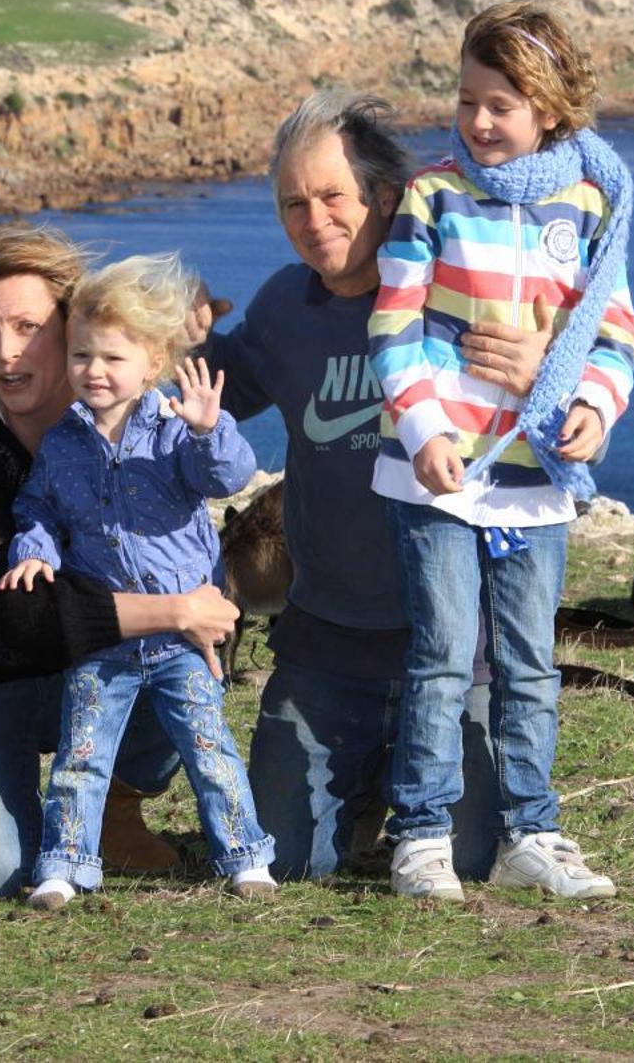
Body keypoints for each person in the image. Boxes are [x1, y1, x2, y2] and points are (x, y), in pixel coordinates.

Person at [202, 91, 550, 881]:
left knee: (469, 861)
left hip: (456, 650)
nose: (312, 218)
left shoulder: (457, 290)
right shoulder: (285, 306)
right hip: (327, 643)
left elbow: (577, 384)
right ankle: (364, 792)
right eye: (293, 202)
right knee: (280, 862)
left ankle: (401, 783)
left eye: (332, 196)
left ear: (384, 197)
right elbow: (207, 384)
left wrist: (547, 368)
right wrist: (155, 329)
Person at [0, 227, 240, 899]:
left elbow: (189, 543)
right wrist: (178, 609)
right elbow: (23, 614)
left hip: (97, 670)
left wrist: (203, 607)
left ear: (74, 322)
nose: (5, 353)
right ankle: (45, 810)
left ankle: (108, 810)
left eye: (27, 327)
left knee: (202, 652)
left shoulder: (141, 419)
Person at [369, 0, 634, 900]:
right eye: (468, 99)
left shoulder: (593, 203)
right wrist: (423, 431)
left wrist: (593, 409)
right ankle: (420, 834)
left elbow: (612, 330)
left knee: (529, 662)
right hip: (437, 471)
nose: (479, 121)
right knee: (442, 653)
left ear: (551, 109)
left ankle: (534, 830)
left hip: (535, 477)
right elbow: (395, 323)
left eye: (502, 104)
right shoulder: (432, 193)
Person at [0, 253, 277, 910]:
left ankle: (243, 855)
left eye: (112, 359)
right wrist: (34, 548)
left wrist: (213, 428)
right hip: (106, 640)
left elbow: (229, 477)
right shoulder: (63, 444)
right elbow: (38, 505)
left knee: (210, 750)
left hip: (186, 641)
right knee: (82, 755)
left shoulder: (177, 429)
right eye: (81, 355)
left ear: (152, 363)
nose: (94, 371)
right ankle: (66, 864)